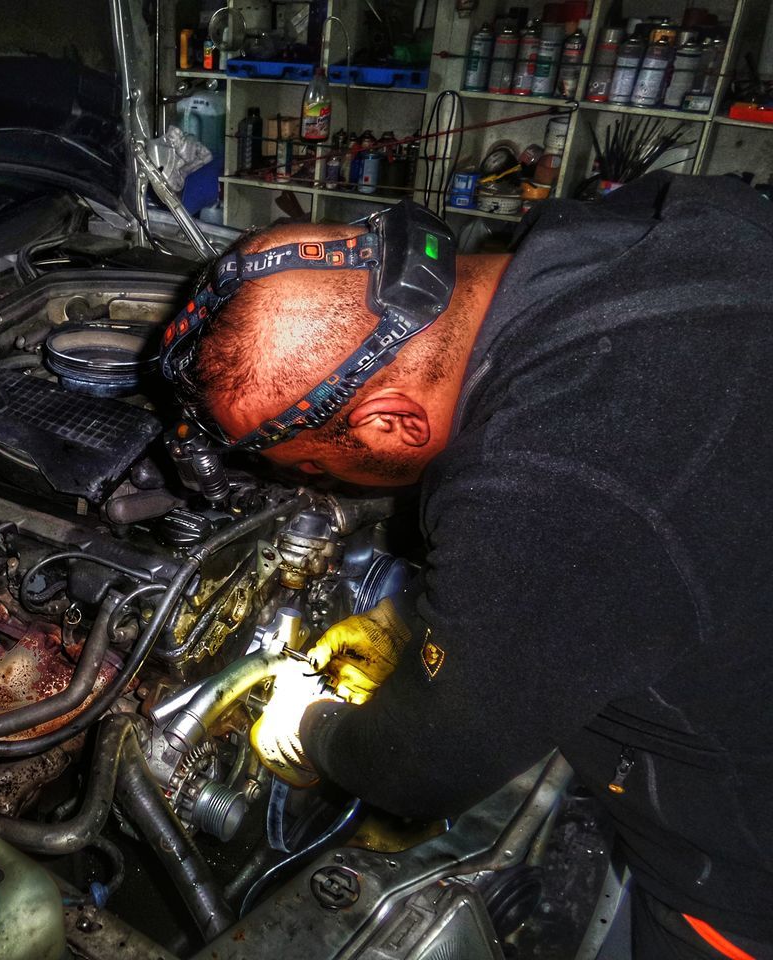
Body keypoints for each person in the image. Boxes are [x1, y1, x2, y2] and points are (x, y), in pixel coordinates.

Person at [162, 173, 773, 960]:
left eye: (312, 471)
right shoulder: (660, 221)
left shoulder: (559, 481)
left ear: (390, 420)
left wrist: (312, 729)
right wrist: (418, 611)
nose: (314, 487)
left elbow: (424, 766)